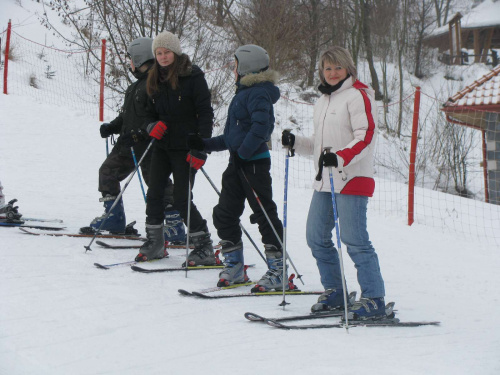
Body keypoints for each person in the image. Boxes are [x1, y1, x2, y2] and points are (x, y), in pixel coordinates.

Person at [282, 46, 386, 320]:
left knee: (354, 240)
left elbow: (366, 136)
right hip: (326, 180)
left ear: (348, 68)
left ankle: (374, 298)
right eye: (327, 68)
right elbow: (320, 145)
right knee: (315, 237)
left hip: (352, 178)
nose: (332, 73)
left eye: (337, 67)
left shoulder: (358, 96)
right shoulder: (323, 101)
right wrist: (297, 143)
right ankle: (336, 291)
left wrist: (339, 158)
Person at [189, 44, 287, 291]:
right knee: (224, 213)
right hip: (238, 163)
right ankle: (234, 267)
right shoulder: (243, 94)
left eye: (235, 64)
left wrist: (243, 153)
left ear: (246, 66)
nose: (233, 69)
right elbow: (231, 138)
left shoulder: (258, 93)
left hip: (254, 164)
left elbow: (261, 128)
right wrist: (203, 143)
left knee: (263, 213)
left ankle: (278, 271)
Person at [80, 37, 185, 242]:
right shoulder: (135, 86)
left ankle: (175, 225)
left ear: (138, 58)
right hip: (127, 145)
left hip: (148, 146)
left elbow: (156, 117)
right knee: (107, 172)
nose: (129, 63)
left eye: (130, 59)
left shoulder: (154, 85)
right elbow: (127, 116)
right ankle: (114, 218)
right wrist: (113, 126)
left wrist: (140, 134)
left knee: (158, 184)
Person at [135, 31, 214, 263]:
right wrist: (150, 126)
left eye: (166, 52)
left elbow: (205, 112)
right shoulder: (153, 78)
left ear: (175, 52)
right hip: (162, 146)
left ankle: (203, 244)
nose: (162, 57)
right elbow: (146, 113)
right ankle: (155, 242)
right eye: (158, 53)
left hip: (186, 148)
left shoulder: (193, 76)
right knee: (154, 194)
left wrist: (202, 147)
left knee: (180, 197)